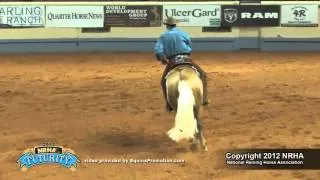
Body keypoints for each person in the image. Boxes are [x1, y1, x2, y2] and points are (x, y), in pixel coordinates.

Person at [154, 17, 209, 111]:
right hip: (186, 59)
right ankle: (204, 98)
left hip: (172, 61)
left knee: (163, 81)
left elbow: (158, 51)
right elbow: (189, 46)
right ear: (175, 24)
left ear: (167, 26)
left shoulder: (163, 36)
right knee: (203, 75)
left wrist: (162, 58)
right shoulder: (183, 33)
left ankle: (168, 104)